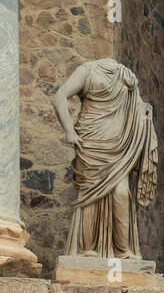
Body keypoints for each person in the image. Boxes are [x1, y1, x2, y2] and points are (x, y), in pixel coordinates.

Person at [52, 58, 158, 259]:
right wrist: (69, 132)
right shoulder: (87, 71)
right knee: (90, 196)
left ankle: (123, 250)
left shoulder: (125, 75)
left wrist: (145, 111)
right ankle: (87, 250)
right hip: (91, 142)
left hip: (118, 147)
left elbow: (136, 108)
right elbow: (60, 97)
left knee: (122, 194)